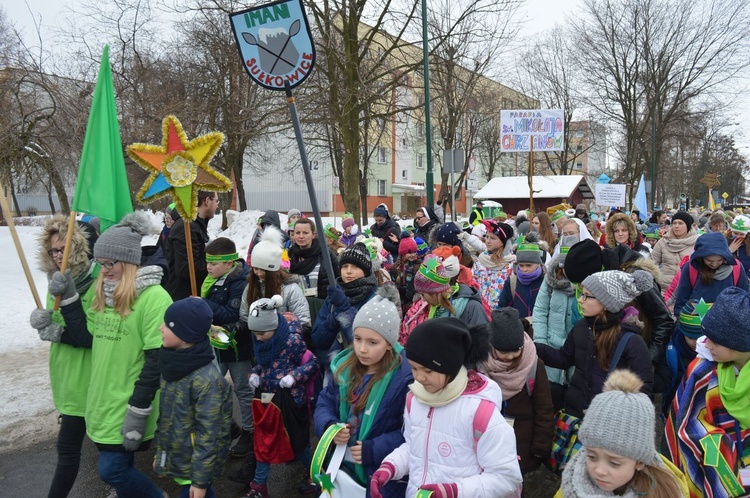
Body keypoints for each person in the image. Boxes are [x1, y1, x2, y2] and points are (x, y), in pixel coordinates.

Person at [72, 213, 173, 497]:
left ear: (129, 261)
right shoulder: (102, 291)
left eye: (110, 263)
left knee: (112, 470)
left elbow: (157, 360)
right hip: (102, 401)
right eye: (100, 263)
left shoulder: (154, 298)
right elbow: (86, 338)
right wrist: (67, 303)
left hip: (129, 403)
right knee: (120, 468)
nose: (104, 270)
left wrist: (138, 410)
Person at [370, 318, 523, 498]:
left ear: (450, 366)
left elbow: (506, 479)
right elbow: (415, 448)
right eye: (413, 368)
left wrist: (454, 491)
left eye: (428, 371)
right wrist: (390, 466)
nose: (419, 377)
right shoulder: (415, 399)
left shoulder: (481, 413)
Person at [313, 295, 412, 498]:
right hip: (337, 464)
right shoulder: (344, 369)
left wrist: (375, 449)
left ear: (389, 343)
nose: (362, 348)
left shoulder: (403, 379)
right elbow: (325, 402)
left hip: (377, 473)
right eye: (357, 339)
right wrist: (329, 426)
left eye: (372, 342)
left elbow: (411, 431)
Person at [29, 216, 98, 498]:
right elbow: (57, 323)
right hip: (67, 379)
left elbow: (90, 338)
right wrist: (44, 324)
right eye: (53, 250)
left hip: (93, 382)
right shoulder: (53, 281)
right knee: (70, 452)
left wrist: (58, 332)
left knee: (112, 458)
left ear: (78, 250)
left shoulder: (96, 283)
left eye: (64, 249)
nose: (58, 255)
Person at [666, 287, 750, 498]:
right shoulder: (701, 371)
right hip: (714, 468)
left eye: (715, 339)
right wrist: (718, 443)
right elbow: (684, 422)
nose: (706, 343)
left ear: (738, 343)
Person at [535, 270, 655, 418]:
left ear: (606, 303)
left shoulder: (632, 342)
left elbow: (643, 392)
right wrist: (532, 347)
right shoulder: (581, 327)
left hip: (607, 424)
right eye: (581, 294)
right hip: (575, 414)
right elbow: (564, 358)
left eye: (586, 296)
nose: (580, 300)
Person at [555, 370, 686, 497]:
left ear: (639, 462)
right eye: (591, 456)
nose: (599, 470)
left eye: (614, 463)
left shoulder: (665, 493)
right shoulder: (571, 482)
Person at [154, 298, 232, 498]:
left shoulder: (207, 381)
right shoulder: (172, 366)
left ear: (185, 334)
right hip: (181, 460)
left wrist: (201, 481)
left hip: (195, 470)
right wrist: (162, 455)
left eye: (168, 325)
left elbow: (210, 435)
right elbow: (166, 417)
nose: (160, 328)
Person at [244, 296, 320, 498]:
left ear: (273, 327)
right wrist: (254, 373)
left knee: (298, 442)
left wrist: (293, 377)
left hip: (289, 400)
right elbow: (262, 363)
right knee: (263, 440)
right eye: (255, 333)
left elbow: (312, 364)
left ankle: (315, 474)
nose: (258, 338)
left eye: (261, 333)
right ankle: (259, 486)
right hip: (267, 398)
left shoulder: (292, 341)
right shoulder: (260, 340)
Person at [479, 308, 555, 475]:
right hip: (488, 439)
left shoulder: (532, 364)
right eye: (504, 352)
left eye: (516, 350)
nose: (511, 357)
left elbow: (544, 408)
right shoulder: (480, 363)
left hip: (522, 441)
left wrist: (540, 446)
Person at [201, 237, 253, 459]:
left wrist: (204, 305)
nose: (208, 267)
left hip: (238, 347)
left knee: (242, 389)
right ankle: (229, 427)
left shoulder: (241, 282)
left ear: (229, 263)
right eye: (207, 263)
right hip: (216, 345)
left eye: (213, 263)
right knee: (210, 387)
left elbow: (232, 315)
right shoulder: (211, 280)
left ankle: (250, 434)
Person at [312, 243, 379, 376]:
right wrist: (332, 319)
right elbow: (318, 340)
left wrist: (343, 309)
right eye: (344, 266)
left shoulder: (375, 300)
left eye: (355, 266)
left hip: (362, 374)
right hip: (334, 371)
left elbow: (366, 344)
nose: (348, 271)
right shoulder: (333, 297)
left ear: (365, 271)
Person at [532, 235, 579, 411]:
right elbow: (540, 310)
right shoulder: (551, 280)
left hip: (577, 354)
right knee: (551, 403)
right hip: (552, 349)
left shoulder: (587, 284)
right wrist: (541, 342)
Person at [400, 254, 489, 343]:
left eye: (423, 295)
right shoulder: (436, 307)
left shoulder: (472, 308)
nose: (423, 300)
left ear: (434, 292)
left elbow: (483, 345)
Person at [673, 231, 749, 314]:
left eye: (719, 260)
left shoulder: (736, 268)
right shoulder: (690, 269)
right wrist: (680, 323)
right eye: (709, 260)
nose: (714, 264)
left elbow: (744, 300)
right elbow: (681, 301)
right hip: (695, 323)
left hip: (727, 323)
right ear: (701, 258)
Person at [165, 190, 219, 300]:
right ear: (207, 201)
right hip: (182, 297)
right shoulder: (186, 227)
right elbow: (186, 269)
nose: (217, 206)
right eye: (217, 201)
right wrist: (216, 263)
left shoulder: (196, 224)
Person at [288, 218, 340, 300]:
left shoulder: (326, 254)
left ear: (313, 235)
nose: (301, 236)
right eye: (297, 233)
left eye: (305, 233)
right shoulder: (289, 255)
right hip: (297, 306)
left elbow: (339, 278)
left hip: (323, 304)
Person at [471, 220, 515, 308]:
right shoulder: (479, 261)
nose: (487, 241)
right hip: (481, 311)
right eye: (486, 237)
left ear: (503, 241)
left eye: (493, 238)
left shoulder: (512, 264)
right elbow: (473, 285)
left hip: (501, 313)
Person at [498, 238, 546, 317]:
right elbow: (503, 309)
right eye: (521, 265)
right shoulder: (512, 282)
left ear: (538, 264)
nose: (524, 269)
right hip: (517, 327)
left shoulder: (546, 281)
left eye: (528, 265)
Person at [652, 211, 698, 290]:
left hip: (686, 289)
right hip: (664, 288)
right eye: (674, 223)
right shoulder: (663, 241)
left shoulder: (696, 242)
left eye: (680, 223)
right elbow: (652, 263)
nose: (676, 226)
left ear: (688, 225)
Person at [391, 234, 423, 311]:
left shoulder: (419, 265)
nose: (412, 255)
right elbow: (393, 277)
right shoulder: (397, 266)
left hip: (415, 297)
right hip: (401, 298)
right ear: (402, 254)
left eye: (414, 252)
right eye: (409, 253)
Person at [727, 214, 750, 280]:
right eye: (735, 233)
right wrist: (729, 251)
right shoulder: (724, 241)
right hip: (728, 279)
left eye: (742, 234)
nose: (738, 237)